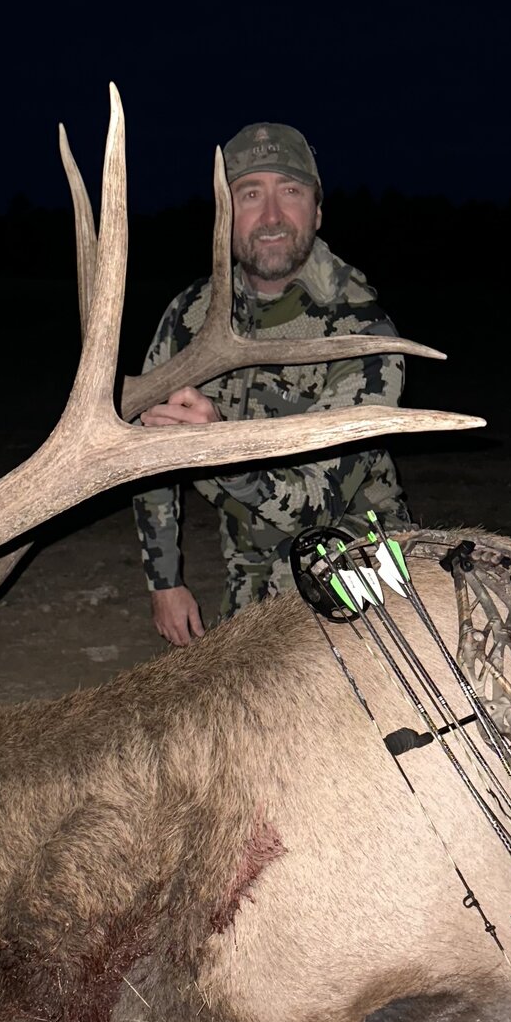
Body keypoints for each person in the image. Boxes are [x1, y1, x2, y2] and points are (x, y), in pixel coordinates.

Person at [133, 122, 411, 646]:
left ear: (318, 210)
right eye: (250, 194)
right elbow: (149, 457)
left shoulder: (362, 334)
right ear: (226, 216)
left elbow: (318, 504)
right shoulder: (187, 319)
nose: (272, 217)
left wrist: (224, 446)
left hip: (359, 562)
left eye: (290, 191)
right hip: (250, 569)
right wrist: (164, 581)